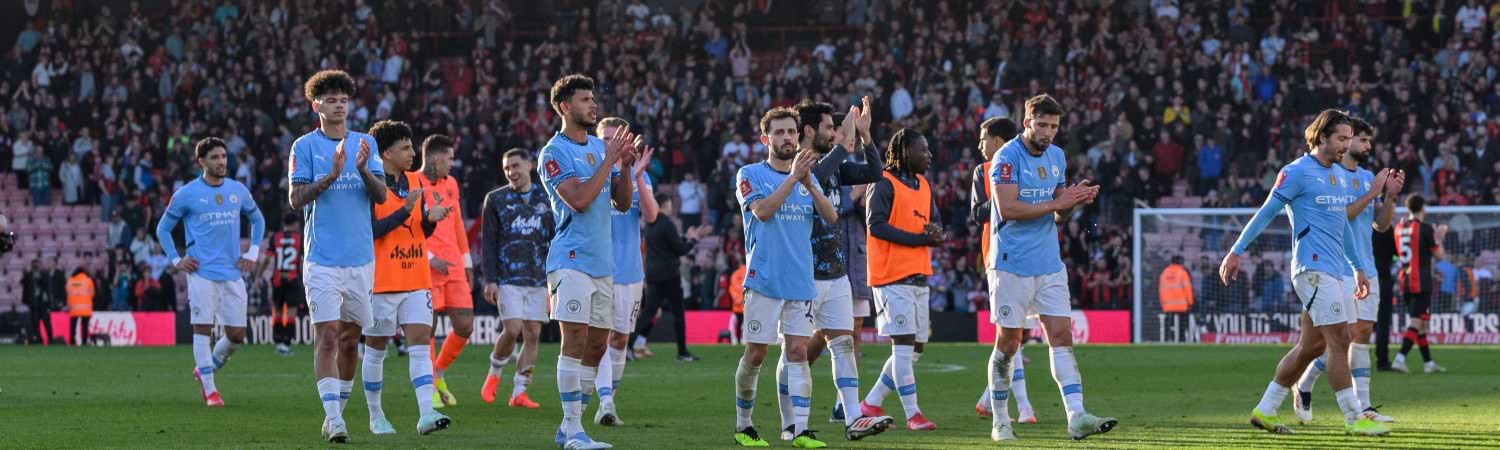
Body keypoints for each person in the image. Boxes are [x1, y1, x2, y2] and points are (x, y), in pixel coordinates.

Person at [1221, 109, 1389, 437]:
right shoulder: (1296, 172)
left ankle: (1265, 410)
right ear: (1322, 137)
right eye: (1341, 138)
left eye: (1349, 138)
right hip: (1311, 269)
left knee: (1310, 347)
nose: (1347, 144)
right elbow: (1266, 212)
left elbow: (1342, 227)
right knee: (1340, 340)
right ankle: (1355, 416)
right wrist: (1236, 251)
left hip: (1337, 271)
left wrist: (1357, 268)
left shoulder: (1340, 174)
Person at [985, 95, 1114, 442]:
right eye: (1042, 124)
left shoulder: (1057, 156)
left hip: (1048, 264)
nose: (1048, 132)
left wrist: (1072, 201)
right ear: (1027, 122)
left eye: (1054, 126)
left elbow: (1058, 214)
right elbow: (1008, 208)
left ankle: (1076, 416)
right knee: (1009, 343)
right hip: (1011, 265)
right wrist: (1059, 201)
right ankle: (1000, 420)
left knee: (1061, 337)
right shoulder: (1007, 157)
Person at [537, 74, 638, 450]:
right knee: (575, 339)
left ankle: (570, 427)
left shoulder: (598, 145)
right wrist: (609, 160)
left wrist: (624, 166)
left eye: (593, 98)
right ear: (565, 107)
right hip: (570, 258)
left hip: (603, 262)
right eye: (584, 100)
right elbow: (578, 200)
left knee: (597, 344)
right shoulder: (553, 152)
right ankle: (573, 429)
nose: (593, 105)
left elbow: (623, 203)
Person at [287, 69, 388, 443]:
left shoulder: (366, 144)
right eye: (331, 100)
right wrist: (329, 176)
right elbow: (295, 200)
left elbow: (380, 197)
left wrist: (361, 169)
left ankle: (336, 415)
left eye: (344, 99)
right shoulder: (304, 147)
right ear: (317, 105)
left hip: (360, 259)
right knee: (327, 337)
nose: (339, 105)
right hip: (322, 260)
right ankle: (334, 417)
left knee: (350, 340)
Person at [731, 106, 839, 448]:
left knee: (797, 351)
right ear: (766, 139)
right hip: (764, 278)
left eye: (791, 131)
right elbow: (761, 212)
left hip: (800, 279)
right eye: (778, 132)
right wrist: (793, 178)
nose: (787, 137)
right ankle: (744, 426)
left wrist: (810, 184)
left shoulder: (809, 176)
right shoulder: (749, 174)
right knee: (757, 354)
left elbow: (832, 217)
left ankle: (799, 430)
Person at [786, 98, 893, 441]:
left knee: (844, 344)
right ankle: (792, 422)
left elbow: (874, 173)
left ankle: (852, 418)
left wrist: (866, 138)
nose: (833, 132)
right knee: (796, 350)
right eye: (828, 127)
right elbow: (821, 172)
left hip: (836, 271)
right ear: (809, 131)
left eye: (835, 127)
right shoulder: (798, 165)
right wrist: (848, 137)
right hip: (803, 272)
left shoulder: (834, 165)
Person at [1292, 118, 1402, 424]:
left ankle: (1364, 405)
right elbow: (1341, 215)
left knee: (1361, 335)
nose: (1367, 146)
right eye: (1362, 140)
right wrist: (1372, 193)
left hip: (1365, 267)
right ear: (1345, 140)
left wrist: (1389, 196)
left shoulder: (1368, 176)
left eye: (1368, 140)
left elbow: (1380, 224)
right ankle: (1306, 384)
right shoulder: (1331, 174)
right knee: (1337, 339)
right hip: (1334, 267)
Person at [156, 137, 266, 407]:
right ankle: (210, 390)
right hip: (201, 273)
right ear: (202, 162)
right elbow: (163, 229)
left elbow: (258, 219)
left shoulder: (237, 190)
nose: (221, 162)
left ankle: (206, 369)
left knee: (237, 335)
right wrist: (176, 260)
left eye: (224, 157)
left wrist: (252, 252)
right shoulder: (186, 194)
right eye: (215, 157)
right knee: (202, 330)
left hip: (231, 273)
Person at [359, 120, 453, 436]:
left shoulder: (414, 180)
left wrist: (430, 219)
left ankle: (427, 412)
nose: (412, 153)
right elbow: (370, 232)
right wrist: (404, 212)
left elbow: (420, 232)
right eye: (405, 148)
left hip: (416, 276)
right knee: (376, 349)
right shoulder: (371, 185)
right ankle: (376, 416)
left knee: (419, 343)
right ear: (386, 152)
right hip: (381, 280)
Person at [857, 128, 942, 431]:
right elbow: (875, 226)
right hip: (891, 275)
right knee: (904, 346)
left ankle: (870, 402)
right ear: (906, 151)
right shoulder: (883, 182)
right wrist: (920, 239)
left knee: (917, 348)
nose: (929, 155)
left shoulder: (923, 184)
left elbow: (935, 223)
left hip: (919, 274)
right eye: (923, 149)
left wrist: (934, 234)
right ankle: (913, 414)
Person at [967, 117, 1036, 423]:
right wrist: (1002, 197)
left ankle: (991, 400)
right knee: (1012, 331)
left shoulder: (1027, 164)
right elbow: (976, 212)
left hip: (1031, 253)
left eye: (984, 139)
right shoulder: (981, 172)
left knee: (1012, 333)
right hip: (997, 255)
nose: (980, 145)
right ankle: (1023, 407)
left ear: (997, 141)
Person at [593, 117, 660, 427]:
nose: (611, 142)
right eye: (605, 137)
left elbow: (651, 214)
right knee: (601, 339)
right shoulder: (591, 172)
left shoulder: (635, 177)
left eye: (616, 137)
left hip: (631, 272)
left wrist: (636, 175)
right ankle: (605, 401)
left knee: (620, 340)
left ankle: (609, 401)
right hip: (597, 270)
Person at [480, 148, 553, 410]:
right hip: (507, 276)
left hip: (538, 277)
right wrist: (490, 279)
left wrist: (554, 278)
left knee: (532, 334)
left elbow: (554, 238)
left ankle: (519, 393)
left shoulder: (547, 198)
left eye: (516, 166)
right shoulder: (495, 199)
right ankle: (495, 373)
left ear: (530, 166)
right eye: (507, 168)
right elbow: (488, 242)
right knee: (512, 329)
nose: (512, 172)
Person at [419, 134, 475, 409]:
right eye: (450, 158)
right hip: (424, 266)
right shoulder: (412, 183)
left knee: (465, 326)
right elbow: (408, 227)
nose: (452, 164)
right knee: (427, 328)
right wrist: (428, 257)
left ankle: (438, 373)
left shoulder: (451, 183)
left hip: (453, 265)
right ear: (437, 158)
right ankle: (428, 386)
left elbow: (456, 225)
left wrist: (467, 263)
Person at [632, 190, 709, 366]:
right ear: (665, 205)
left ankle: (628, 345)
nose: (672, 207)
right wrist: (694, 240)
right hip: (669, 275)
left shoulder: (650, 225)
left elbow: (669, 245)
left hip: (653, 275)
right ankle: (682, 351)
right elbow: (680, 250)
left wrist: (686, 238)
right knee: (678, 314)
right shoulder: (667, 224)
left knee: (649, 312)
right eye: (670, 204)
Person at [1392, 194, 1448, 374]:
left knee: (1421, 323)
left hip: (1404, 280)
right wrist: (1438, 238)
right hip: (1421, 281)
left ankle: (1428, 363)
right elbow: (1440, 256)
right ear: (1423, 208)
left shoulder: (1399, 227)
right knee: (1417, 320)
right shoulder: (1424, 228)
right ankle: (1400, 359)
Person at [261, 212, 305, 356]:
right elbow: (305, 259)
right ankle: (285, 345)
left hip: (278, 279)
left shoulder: (275, 237)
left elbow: (267, 259)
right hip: (293, 278)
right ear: (294, 224)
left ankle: (278, 342)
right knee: (291, 312)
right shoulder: (300, 238)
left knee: (278, 311)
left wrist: (257, 276)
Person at [23, 258, 55, 345]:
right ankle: (38, 338)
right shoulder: (29, 275)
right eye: (34, 265)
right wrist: (29, 273)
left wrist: (39, 276)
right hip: (33, 303)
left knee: (46, 322)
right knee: (35, 322)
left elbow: (47, 284)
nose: (36, 267)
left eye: (37, 265)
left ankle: (51, 339)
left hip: (43, 303)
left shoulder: (44, 274)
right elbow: (23, 282)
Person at [65, 266, 95, 346]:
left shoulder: (70, 281)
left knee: (73, 326)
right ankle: (84, 342)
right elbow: (92, 293)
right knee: (84, 326)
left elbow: (67, 292)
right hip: (85, 308)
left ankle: (72, 341)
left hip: (73, 308)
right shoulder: (88, 280)